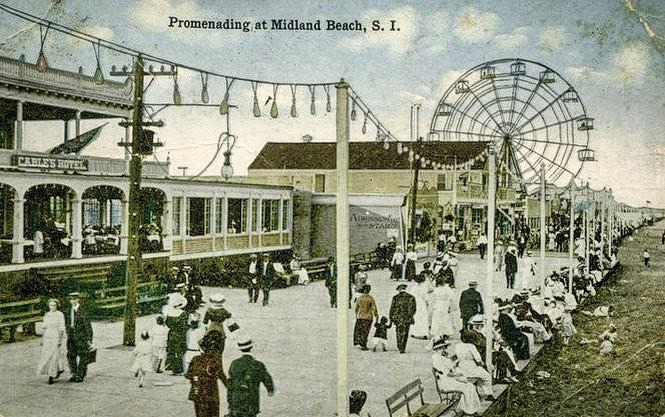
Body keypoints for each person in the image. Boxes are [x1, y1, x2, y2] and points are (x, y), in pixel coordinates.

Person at [431, 337, 482, 416]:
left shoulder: (442, 356)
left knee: (470, 385)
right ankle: (470, 411)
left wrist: (454, 362)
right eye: (442, 348)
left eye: (444, 347)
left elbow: (451, 368)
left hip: (450, 379)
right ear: (438, 349)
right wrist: (459, 375)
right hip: (445, 382)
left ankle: (469, 409)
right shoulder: (436, 357)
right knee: (467, 387)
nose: (444, 349)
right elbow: (447, 373)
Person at [227, 339, 275, 417]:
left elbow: (230, 384)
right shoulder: (257, 365)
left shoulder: (234, 364)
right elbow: (267, 379)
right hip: (251, 400)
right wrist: (270, 389)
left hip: (236, 400)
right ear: (251, 348)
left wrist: (230, 401)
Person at [185, 332, 229, 417]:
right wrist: (230, 387)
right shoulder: (215, 360)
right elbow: (222, 376)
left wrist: (196, 379)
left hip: (197, 392)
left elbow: (188, 375)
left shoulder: (195, 359)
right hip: (211, 393)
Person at [64, 292, 93, 383]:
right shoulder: (69, 310)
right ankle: (74, 373)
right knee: (71, 355)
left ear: (78, 299)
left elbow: (87, 325)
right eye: (71, 299)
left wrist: (89, 339)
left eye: (75, 299)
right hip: (71, 336)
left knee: (83, 356)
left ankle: (80, 375)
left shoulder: (83, 311)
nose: (73, 301)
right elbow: (67, 323)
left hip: (81, 337)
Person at [37, 298, 67, 384]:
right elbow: (44, 327)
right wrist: (42, 339)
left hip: (56, 335)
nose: (52, 307)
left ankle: (52, 375)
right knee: (47, 355)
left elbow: (61, 328)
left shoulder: (60, 314)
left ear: (57, 306)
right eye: (51, 305)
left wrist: (60, 340)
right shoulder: (47, 314)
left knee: (55, 355)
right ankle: (55, 370)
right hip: (47, 336)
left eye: (54, 305)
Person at [389, 284, 416, 354]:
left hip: (398, 318)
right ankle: (403, 347)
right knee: (405, 333)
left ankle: (399, 345)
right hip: (407, 318)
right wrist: (410, 316)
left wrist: (391, 317)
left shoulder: (395, 297)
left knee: (398, 332)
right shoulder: (411, 297)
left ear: (399, 290)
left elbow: (392, 308)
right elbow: (413, 309)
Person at [165, 294, 189, 375]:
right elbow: (184, 325)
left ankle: (169, 366)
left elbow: (167, 324)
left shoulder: (170, 313)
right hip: (180, 334)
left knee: (171, 349)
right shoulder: (183, 314)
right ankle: (178, 369)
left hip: (171, 333)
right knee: (179, 351)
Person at [429, 275, 455, 342]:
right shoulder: (447, 289)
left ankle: (437, 332)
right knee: (445, 319)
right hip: (445, 304)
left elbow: (432, 298)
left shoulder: (435, 289)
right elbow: (451, 297)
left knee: (437, 319)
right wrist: (450, 305)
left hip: (437, 304)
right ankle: (445, 332)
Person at [354, 285, 378, 350]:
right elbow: (374, 308)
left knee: (360, 331)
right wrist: (376, 316)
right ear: (369, 290)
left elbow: (356, 308)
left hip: (360, 317)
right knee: (366, 331)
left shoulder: (360, 298)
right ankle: (363, 344)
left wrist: (356, 315)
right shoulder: (370, 298)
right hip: (368, 317)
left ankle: (361, 343)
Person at [409, 272, 431, 339]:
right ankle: (424, 333)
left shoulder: (413, 288)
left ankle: (414, 332)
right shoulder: (424, 288)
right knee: (423, 318)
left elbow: (411, 296)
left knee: (415, 317)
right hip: (422, 303)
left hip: (415, 302)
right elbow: (426, 297)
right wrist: (427, 303)